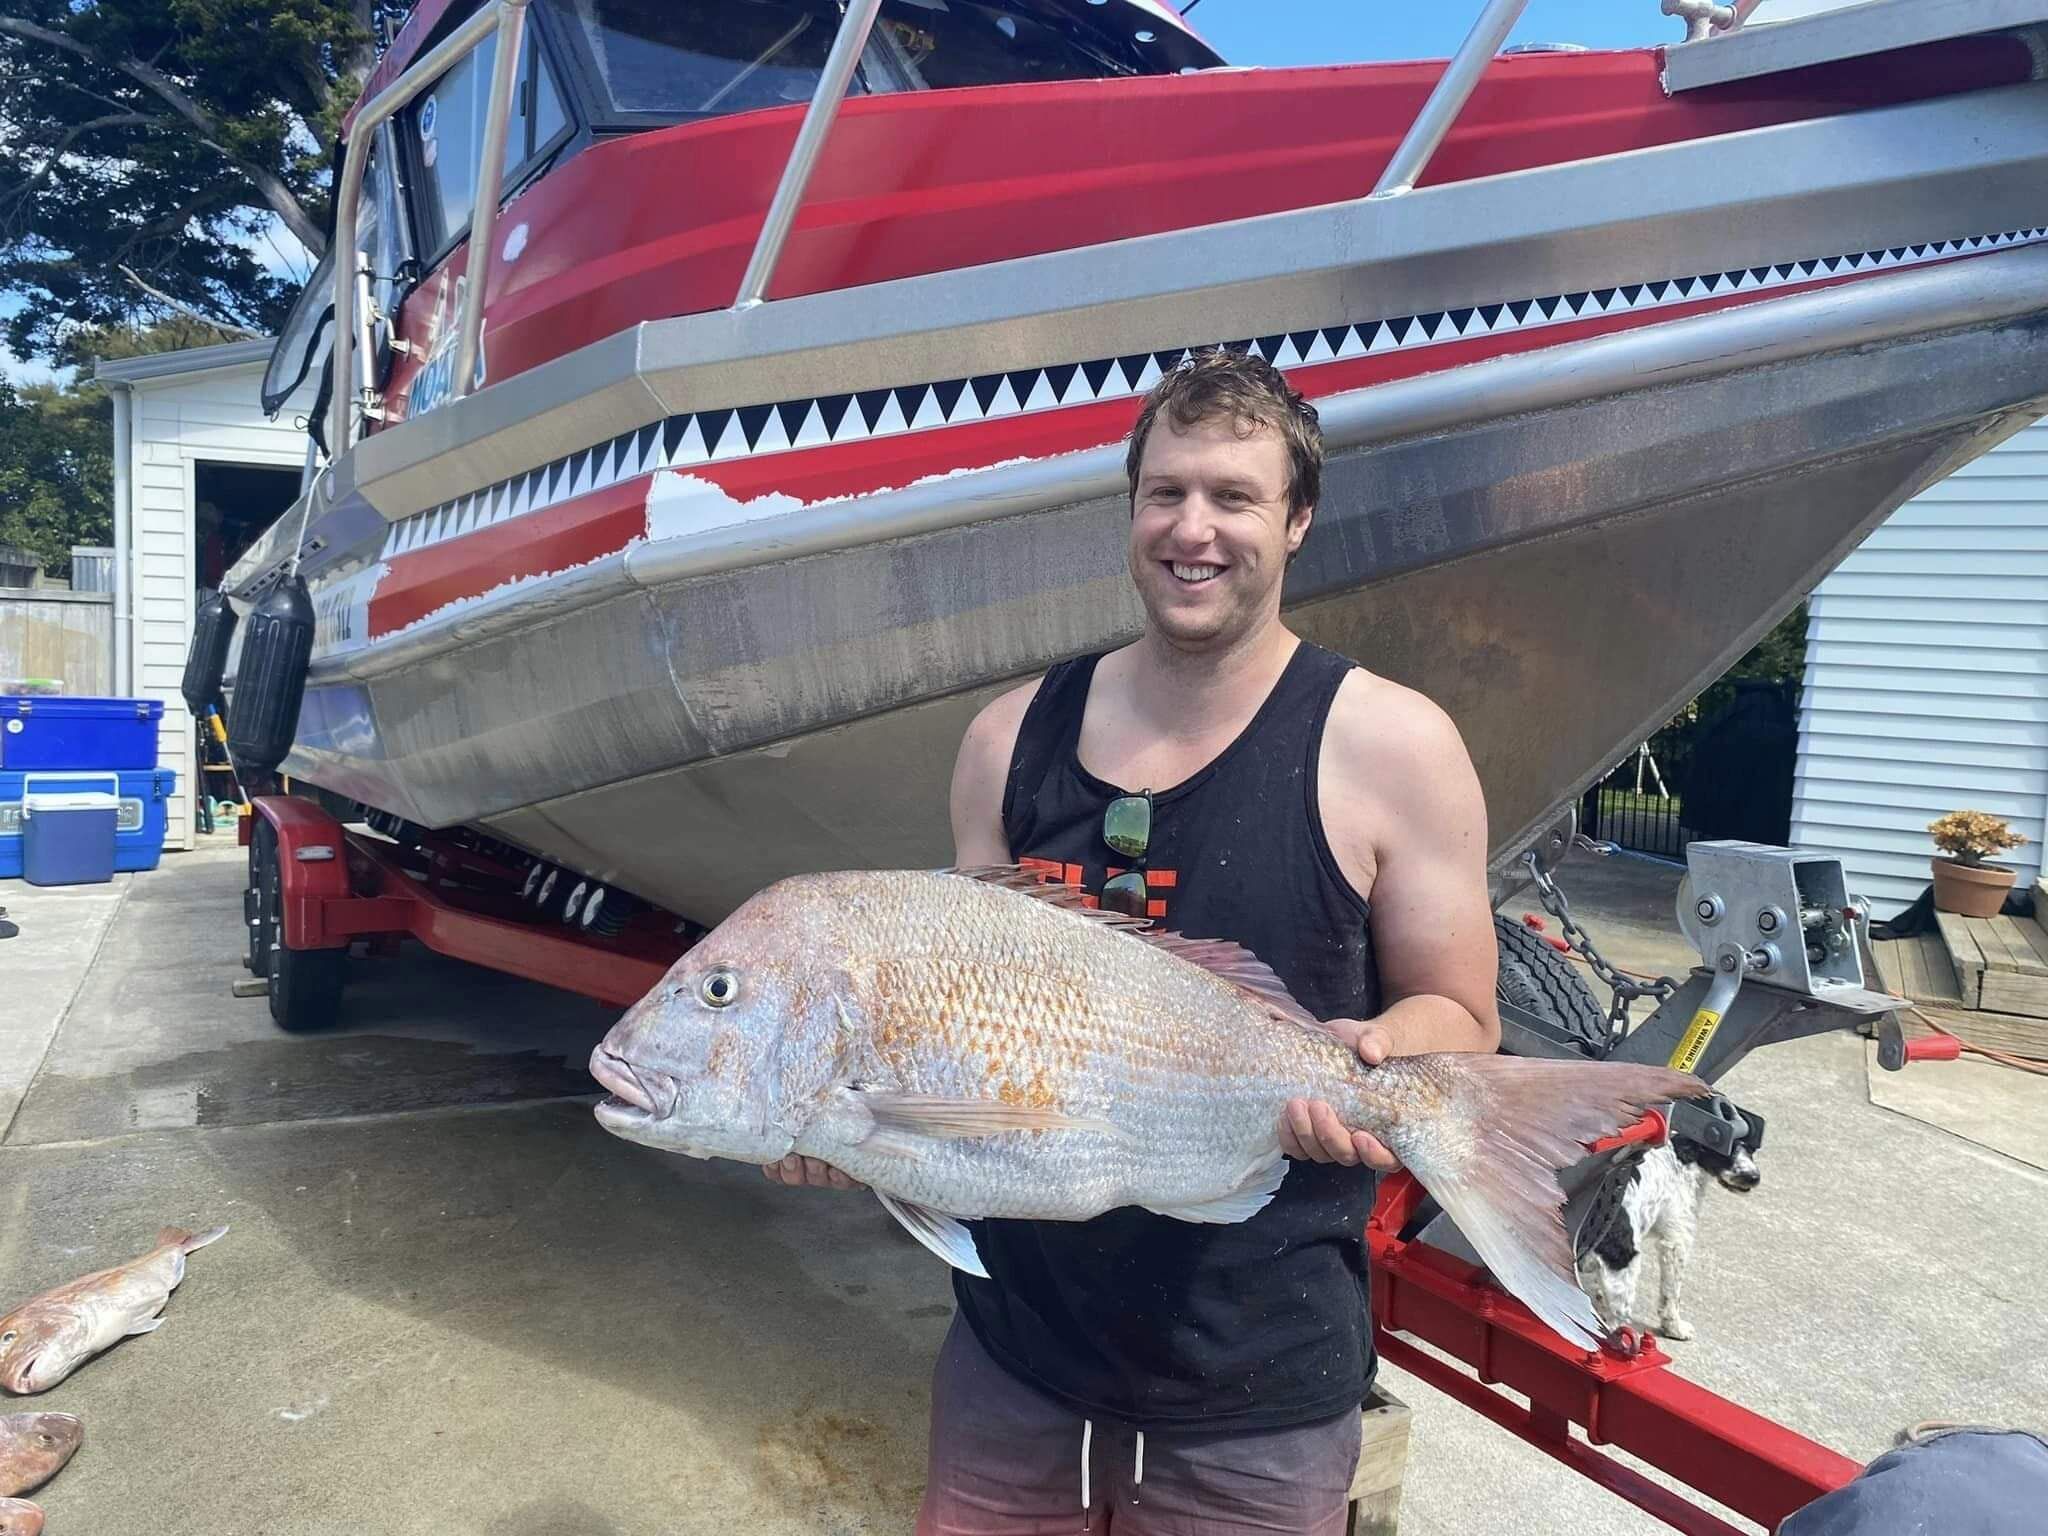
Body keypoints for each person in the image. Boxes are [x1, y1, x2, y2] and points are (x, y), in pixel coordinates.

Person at [765, 348, 1501, 1533]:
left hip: (1259, 1384)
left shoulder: (1394, 745)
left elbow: (1463, 1022)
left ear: (1297, 521)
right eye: (1164, 493)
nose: (1190, 528)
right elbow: (952, 1017)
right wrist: (828, 1116)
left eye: (1233, 497)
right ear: (1131, 511)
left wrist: (1365, 1059)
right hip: (1015, 1363)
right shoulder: (1007, 740)